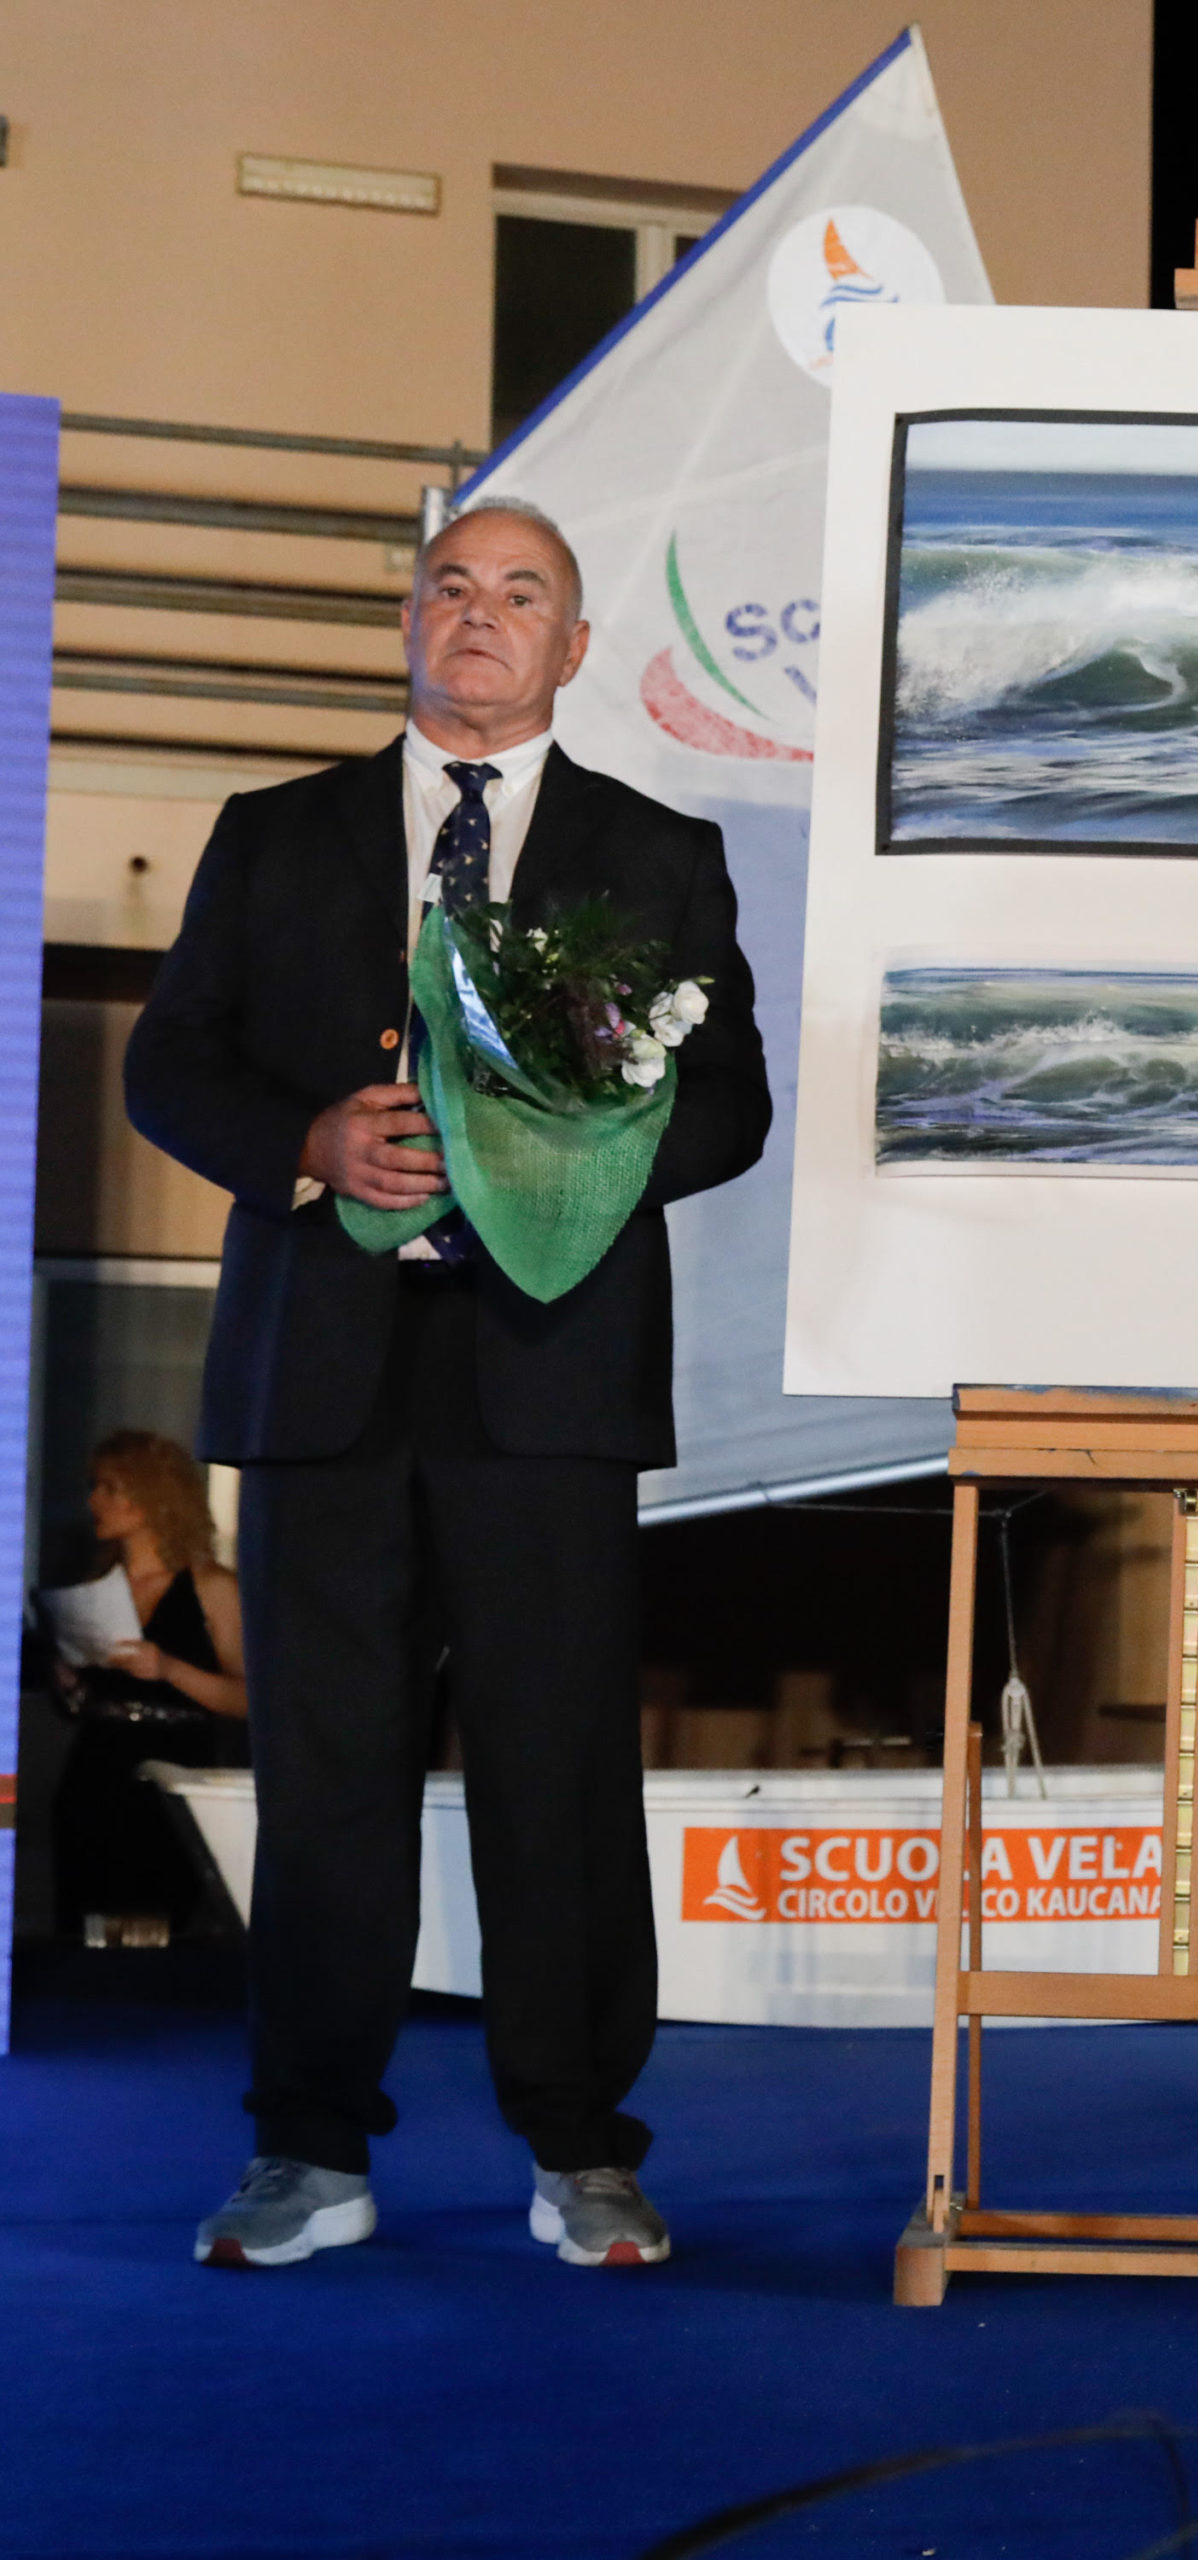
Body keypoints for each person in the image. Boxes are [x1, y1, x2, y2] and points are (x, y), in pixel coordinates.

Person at [125, 499, 772, 2271]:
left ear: (574, 647)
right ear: (410, 622)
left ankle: (581, 2151)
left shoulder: (656, 853)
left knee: (556, 1772)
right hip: (321, 1373)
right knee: (325, 1777)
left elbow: (728, 1103)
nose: (480, 615)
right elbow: (169, 1064)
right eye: (452, 587)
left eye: (521, 594)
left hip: (545, 1377)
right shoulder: (274, 834)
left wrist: (575, 1159)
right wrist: (307, 1142)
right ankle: (308, 2151)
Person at [50, 1430, 248, 1945]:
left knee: (145, 1933)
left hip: (167, 1775)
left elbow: (250, 1701)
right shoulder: (98, 1587)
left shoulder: (212, 1587)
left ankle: (133, 1988)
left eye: (110, 1488)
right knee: (85, 1927)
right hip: (94, 1771)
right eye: (94, 1487)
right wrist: (71, 1685)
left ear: (152, 1496)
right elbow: (84, 1704)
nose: (94, 1501)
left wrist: (170, 1669)